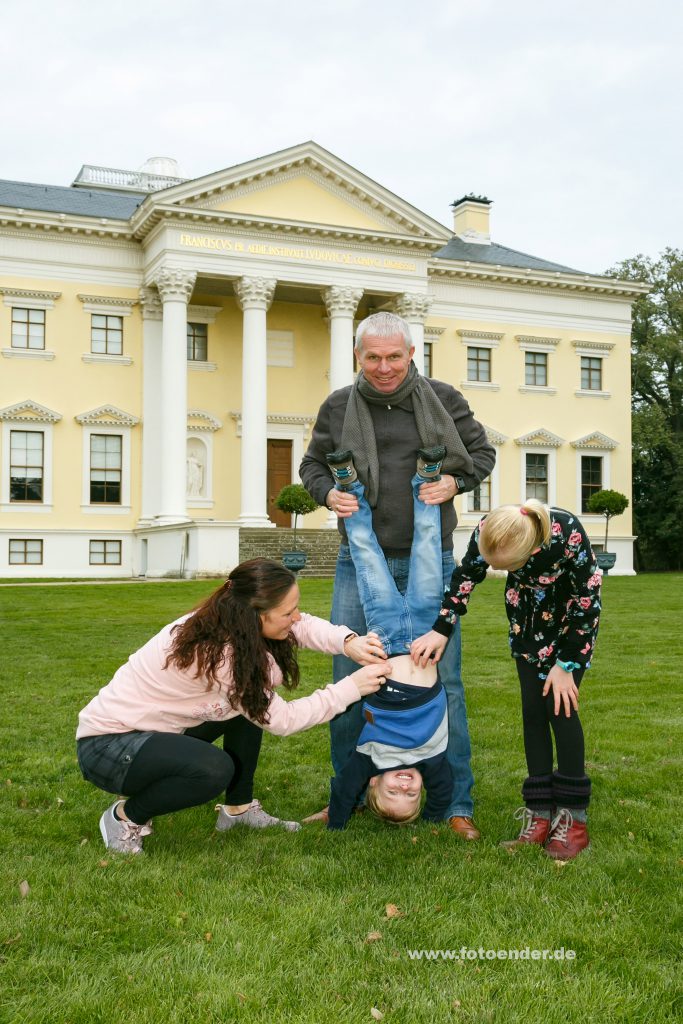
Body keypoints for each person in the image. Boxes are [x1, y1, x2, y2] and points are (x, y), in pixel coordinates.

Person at [299, 310, 496, 839]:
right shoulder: (339, 406)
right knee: (349, 680)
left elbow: (481, 453)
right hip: (360, 561)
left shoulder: (444, 399)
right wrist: (327, 492)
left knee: (444, 682)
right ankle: (349, 790)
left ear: (412, 354)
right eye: (372, 357)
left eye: (394, 356)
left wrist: (454, 482)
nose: (384, 367)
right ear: (357, 356)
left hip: (433, 555)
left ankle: (457, 802)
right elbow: (313, 466)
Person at [76, 558, 389, 854]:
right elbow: (284, 719)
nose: (295, 618)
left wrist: (348, 642)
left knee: (243, 711)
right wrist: (352, 687)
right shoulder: (221, 653)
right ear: (253, 613)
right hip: (108, 747)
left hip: (152, 733)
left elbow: (301, 626)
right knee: (213, 770)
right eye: (287, 612)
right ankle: (125, 817)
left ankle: (238, 811)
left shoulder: (232, 622)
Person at [411, 500, 602, 860]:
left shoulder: (568, 534)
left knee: (559, 709)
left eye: (506, 567)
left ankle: (574, 822)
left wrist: (567, 664)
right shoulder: (492, 528)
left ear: (531, 550)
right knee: (533, 710)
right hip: (527, 621)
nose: (497, 571)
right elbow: (465, 575)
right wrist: (441, 629)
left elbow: (587, 601)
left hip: (570, 626)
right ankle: (540, 816)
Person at [325, 446, 453, 829]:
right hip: (428, 631)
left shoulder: (371, 756)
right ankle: (427, 476)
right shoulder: (431, 758)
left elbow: (345, 787)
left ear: (374, 783)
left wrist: (337, 821)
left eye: (392, 792)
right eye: (411, 794)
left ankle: (349, 487)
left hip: (383, 635)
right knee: (427, 548)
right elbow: (443, 791)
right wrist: (432, 818)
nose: (404, 785)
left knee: (366, 554)